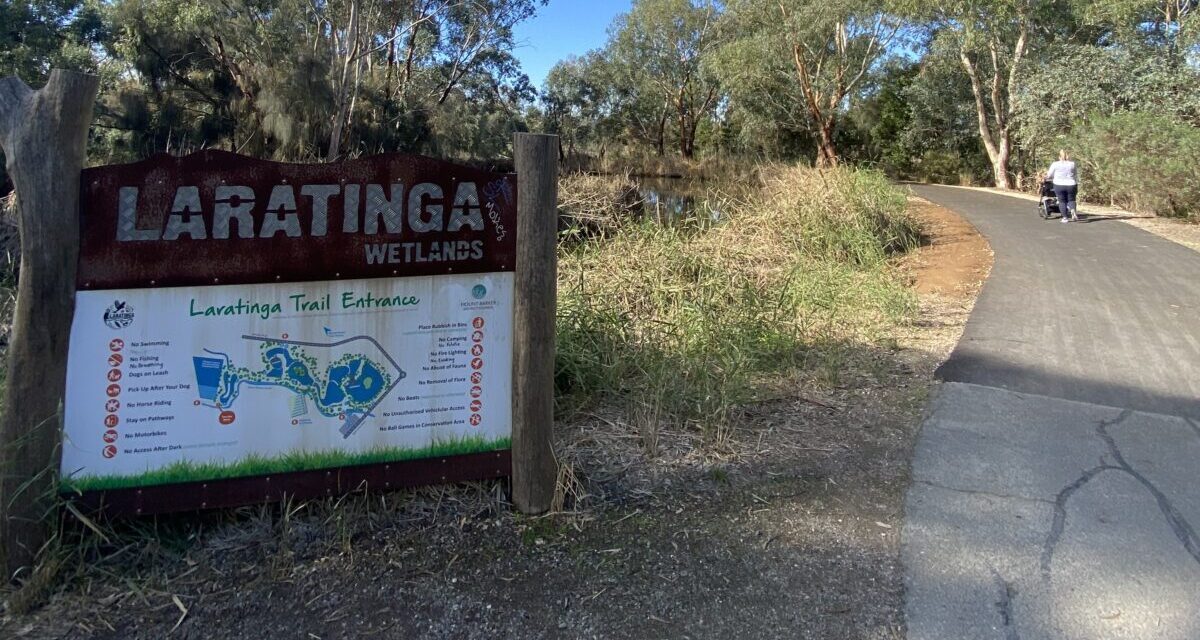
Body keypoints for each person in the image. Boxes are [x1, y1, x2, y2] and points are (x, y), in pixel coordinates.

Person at [1045, 150, 1079, 223]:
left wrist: (1045, 178)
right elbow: (1075, 173)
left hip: (1059, 184)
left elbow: (1049, 174)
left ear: (1059, 157)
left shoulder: (1055, 164)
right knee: (1071, 200)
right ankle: (1072, 209)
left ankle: (1065, 218)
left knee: (1062, 201)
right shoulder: (1072, 164)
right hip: (1071, 184)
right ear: (1068, 156)